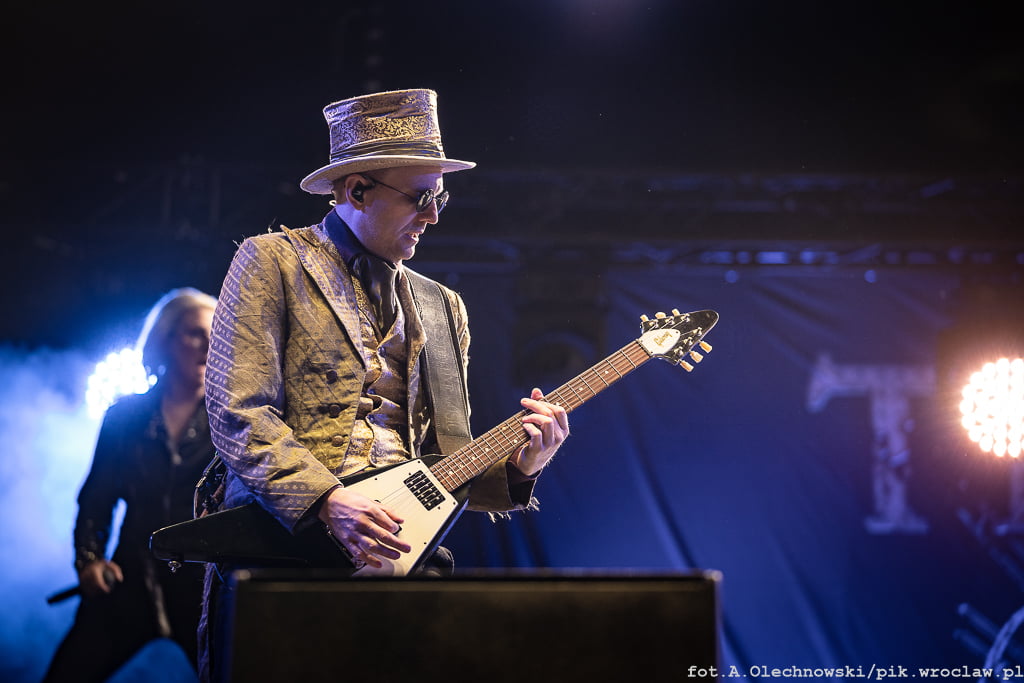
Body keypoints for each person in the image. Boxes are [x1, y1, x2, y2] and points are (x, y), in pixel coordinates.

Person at [199, 88, 570, 680]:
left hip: (402, 551)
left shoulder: (444, 307)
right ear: (356, 190)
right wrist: (324, 500)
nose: (434, 216)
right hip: (284, 548)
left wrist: (522, 467)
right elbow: (238, 411)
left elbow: (447, 460)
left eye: (440, 197)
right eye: (421, 197)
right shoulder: (271, 261)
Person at [44, 287, 217, 683]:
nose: (208, 345)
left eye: (215, 334)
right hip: (130, 575)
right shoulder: (124, 416)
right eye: (194, 333)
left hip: (201, 582)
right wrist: (89, 560)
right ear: (166, 340)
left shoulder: (230, 419)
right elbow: (97, 498)